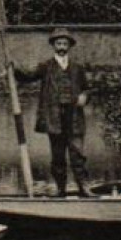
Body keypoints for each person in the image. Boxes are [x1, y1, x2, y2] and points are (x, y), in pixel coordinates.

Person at [31, 27, 90, 197]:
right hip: (54, 118)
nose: (62, 46)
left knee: (78, 154)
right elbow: (28, 76)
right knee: (58, 157)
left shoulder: (78, 68)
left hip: (74, 118)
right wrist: (13, 69)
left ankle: (84, 188)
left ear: (69, 46)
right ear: (53, 45)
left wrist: (84, 96)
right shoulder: (46, 67)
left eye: (65, 43)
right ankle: (60, 189)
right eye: (59, 43)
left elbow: (87, 89)